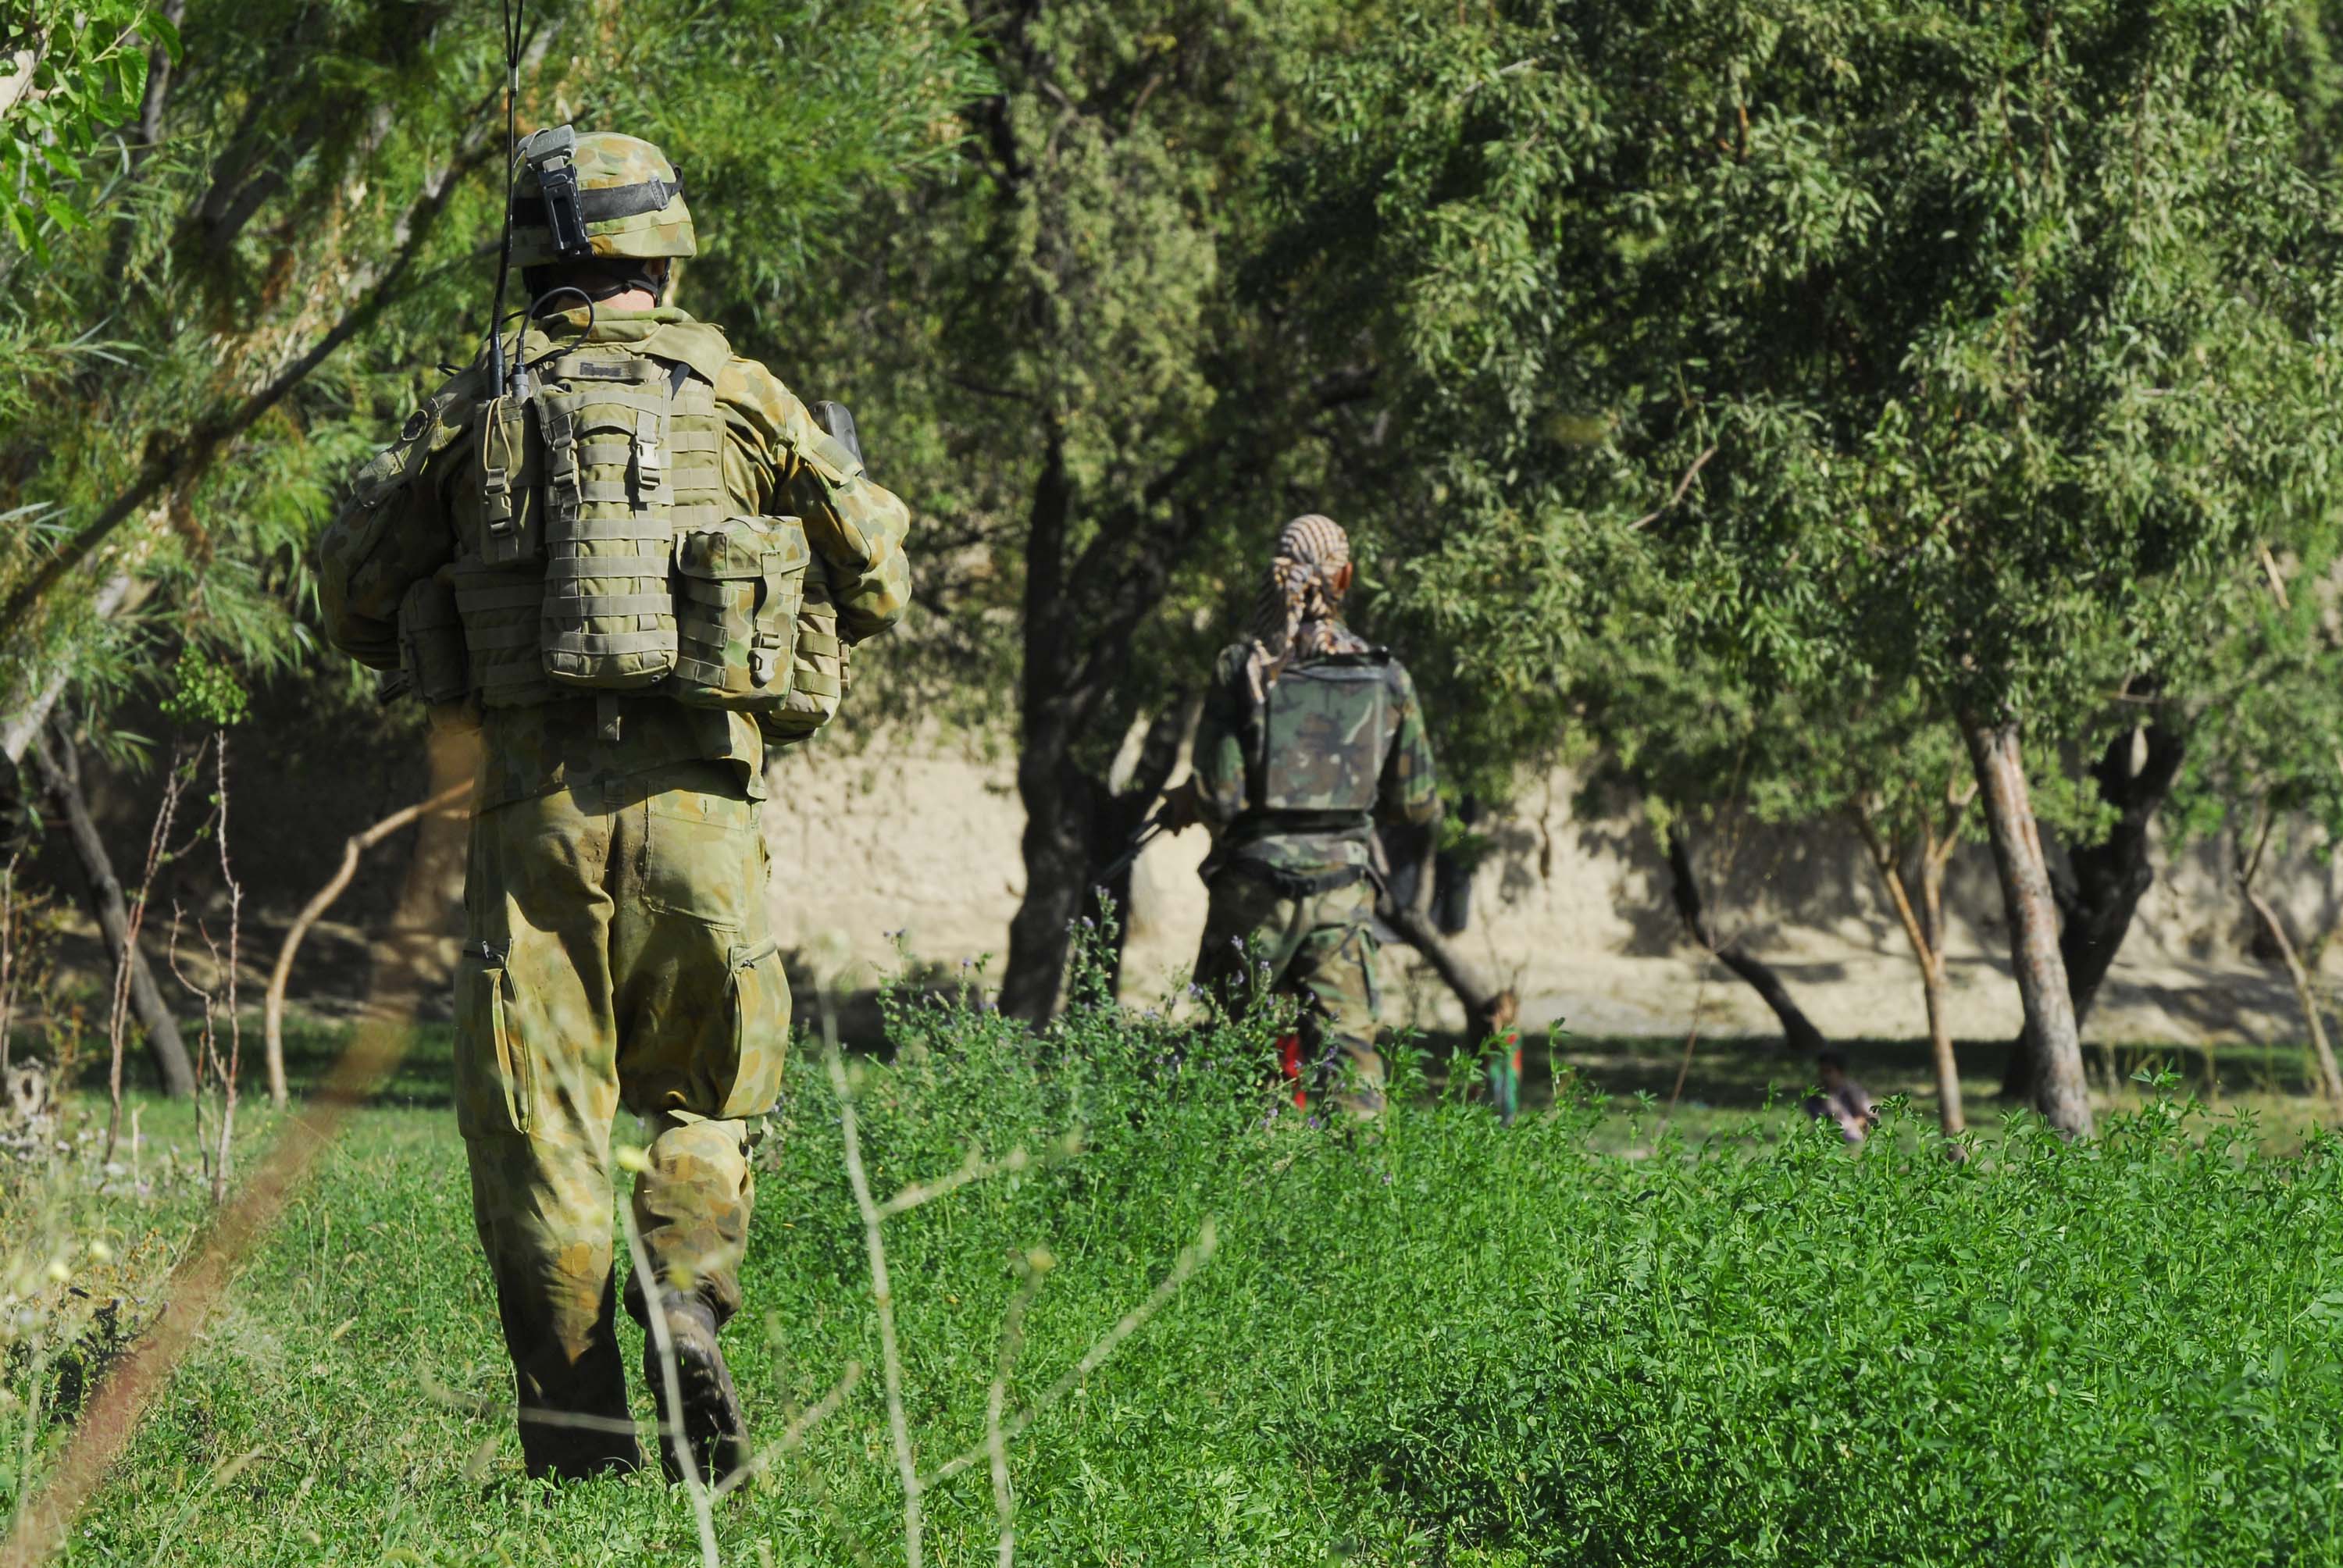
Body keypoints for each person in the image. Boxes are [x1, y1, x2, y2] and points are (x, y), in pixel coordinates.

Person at [317, 127, 911, 1486]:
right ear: (666, 245)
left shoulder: (482, 400)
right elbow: (875, 586)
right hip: (706, 809)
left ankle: (583, 1456)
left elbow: (354, 594)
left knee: (542, 1129)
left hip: (535, 821)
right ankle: (688, 1289)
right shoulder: (744, 392)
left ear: (535, 258)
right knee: (716, 1088)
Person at [1163, 515, 1439, 1117]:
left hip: (1253, 894)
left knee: (1236, 1055)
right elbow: (1417, 802)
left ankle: (1223, 1197)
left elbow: (1221, 797)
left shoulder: (1244, 667)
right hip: (1342, 896)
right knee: (1350, 1065)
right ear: (1344, 576)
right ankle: (1366, 1194)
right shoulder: (1386, 674)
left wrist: (1191, 798)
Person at [1803, 1049, 1878, 1145]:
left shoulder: (1853, 1090)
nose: (1824, 1076)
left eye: (1829, 1071)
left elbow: (1872, 1115)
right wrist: (1858, 1122)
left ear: (1840, 1072)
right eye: (1822, 1071)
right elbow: (1831, 1127)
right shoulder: (1815, 1099)